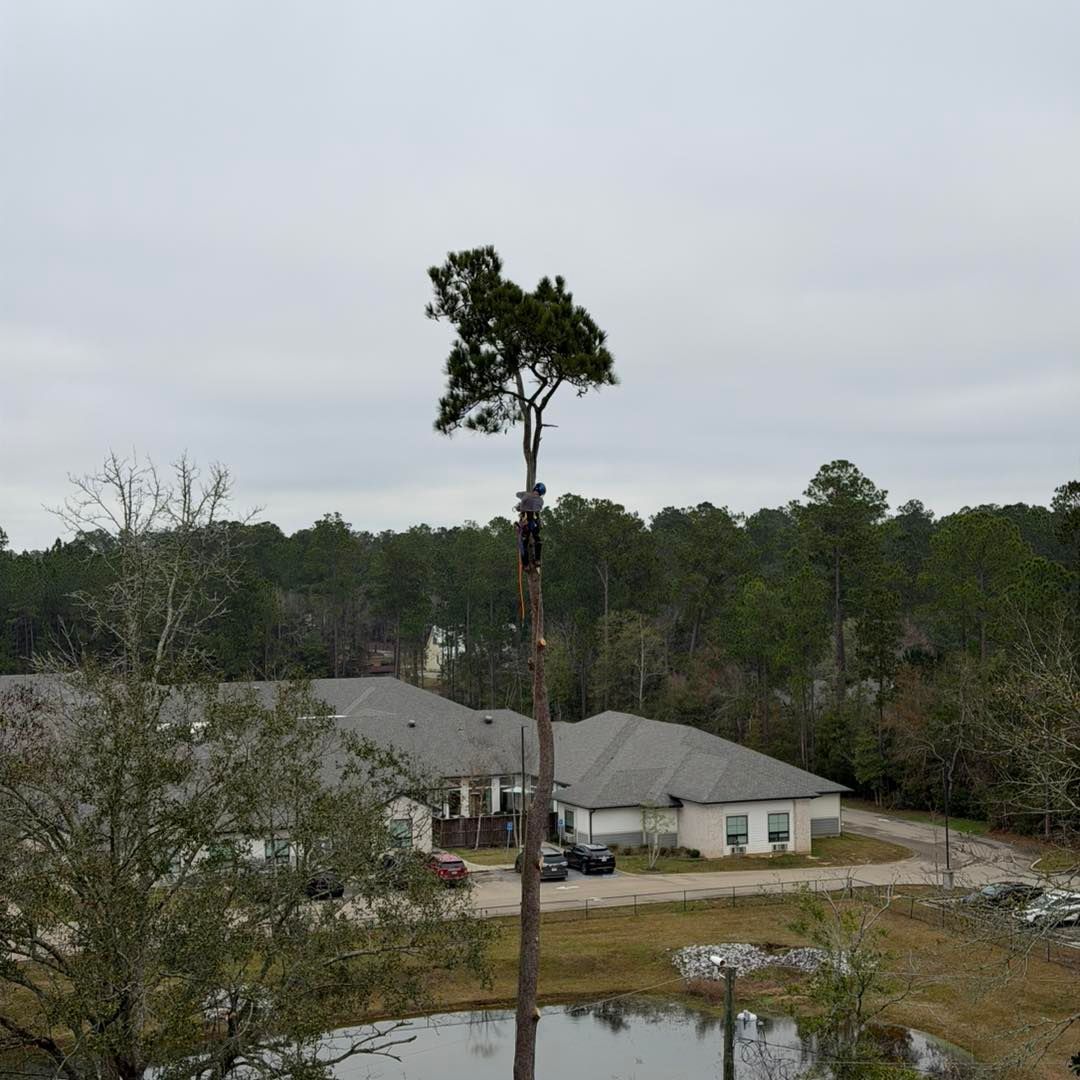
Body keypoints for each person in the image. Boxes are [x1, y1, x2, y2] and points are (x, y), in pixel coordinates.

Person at [515, 482, 546, 569]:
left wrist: (523, 498)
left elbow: (517, 494)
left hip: (526, 522)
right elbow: (536, 509)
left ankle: (526, 565)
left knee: (523, 543)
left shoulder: (525, 495)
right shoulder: (541, 501)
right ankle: (537, 560)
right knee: (538, 540)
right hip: (534, 523)